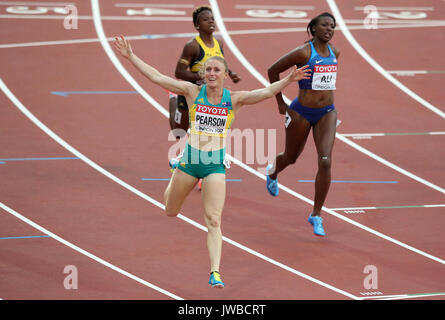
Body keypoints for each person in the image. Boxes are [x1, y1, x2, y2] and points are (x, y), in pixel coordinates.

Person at [113, 35, 311, 288]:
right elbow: (157, 77)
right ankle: (174, 175)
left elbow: (265, 92)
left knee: (214, 219)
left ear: (225, 74)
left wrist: (288, 80)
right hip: (190, 162)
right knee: (170, 210)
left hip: (215, 166)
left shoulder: (234, 99)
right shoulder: (192, 92)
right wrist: (131, 57)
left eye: (216, 69)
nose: (211, 73)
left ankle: (215, 272)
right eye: (208, 69)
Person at [266, 12, 340, 237]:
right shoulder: (303, 52)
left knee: (325, 161)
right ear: (314, 29)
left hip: (327, 112)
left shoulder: (335, 53)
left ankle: (316, 215)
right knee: (291, 157)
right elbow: (272, 70)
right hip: (301, 112)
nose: (329, 29)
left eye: (332, 26)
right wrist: (280, 102)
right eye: (324, 25)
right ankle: (272, 172)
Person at [168, 6, 240, 192]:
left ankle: (203, 173)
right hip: (194, 93)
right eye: (206, 19)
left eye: (212, 18)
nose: (211, 21)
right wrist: (199, 80)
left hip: (212, 94)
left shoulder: (219, 43)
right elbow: (178, 72)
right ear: (196, 25)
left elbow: (221, 63)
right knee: (180, 132)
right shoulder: (192, 46)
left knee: (203, 131)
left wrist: (230, 74)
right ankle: (173, 101)